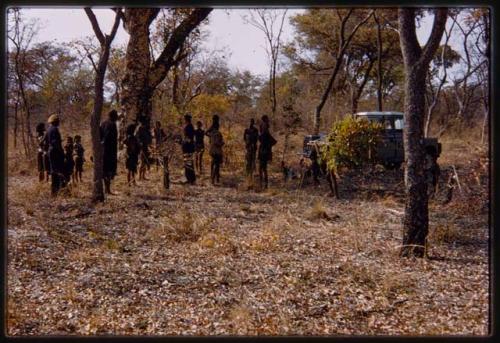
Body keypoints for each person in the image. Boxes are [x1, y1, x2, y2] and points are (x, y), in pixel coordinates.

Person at [100, 109, 119, 194]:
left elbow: (100, 136)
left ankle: (106, 189)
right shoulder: (112, 124)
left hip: (103, 150)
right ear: (113, 116)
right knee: (108, 170)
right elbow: (107, 138)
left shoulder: (103, 123)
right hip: (110, 151)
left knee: (105, 170)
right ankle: (107, 190)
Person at [46, 114, 65, 196]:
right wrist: (61, 152)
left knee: (54, 171)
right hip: (55, 153)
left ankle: (55, 192)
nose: (59, 122)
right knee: (56, 172)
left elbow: (45, 142)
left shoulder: (49, 129)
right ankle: (55, 192)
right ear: (55, 121)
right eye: (57, 121)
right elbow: (55, 143)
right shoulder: (54, 129)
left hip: (51, 152)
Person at [258, 115, 277, 189]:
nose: (262, 126)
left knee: (262, 168)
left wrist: (268, 146)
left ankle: (264, 184)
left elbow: (274, 142)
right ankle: (263, 183)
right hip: (263, 150)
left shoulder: (265, 134)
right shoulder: (263, 134)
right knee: (262, 168)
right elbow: (273, 142)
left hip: (264, 151)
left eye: (263, 124)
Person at [206, 115, 224, 185]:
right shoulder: (218, 133)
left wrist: (210, 137)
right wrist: (221, 143)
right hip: (217, 150)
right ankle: (214, 179)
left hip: (212, 149)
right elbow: (218, 143)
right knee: (217, 165)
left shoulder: (212, 131)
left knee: (213, 163)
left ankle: (213, 177)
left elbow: (206, 133)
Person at [135, 116, 152, 180]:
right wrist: (140, 144)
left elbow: (149, 138)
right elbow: (137, 138)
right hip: (141, 148)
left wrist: (149, 144)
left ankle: (143, 176)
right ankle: (139, 176)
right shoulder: (139, 128)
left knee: (145, 161)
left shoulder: (146, 129)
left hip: (146, 147)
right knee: (142, 161)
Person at [181, 114, 196, 184]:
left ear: (186, 119)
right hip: (188, 147)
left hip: (188, 147)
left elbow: (189, 138)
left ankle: (190, 179)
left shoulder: (188, 127)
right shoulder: (190, 126)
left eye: (185, 118)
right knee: (188, 162)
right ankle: (190, 179)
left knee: (188, 163)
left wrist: (183, 141)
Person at [243, 118, 259, 186]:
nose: (251, 123)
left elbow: (257, 138)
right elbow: (244, 138)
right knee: (248, 162)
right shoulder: (246, 130)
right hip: (248, 148)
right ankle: (247, 176)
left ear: (253, 122)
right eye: (250, 122)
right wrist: (248, 144)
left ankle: (251, 177)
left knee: (253, 161)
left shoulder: (255, 130)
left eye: (252, 122)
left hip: (253, 148)